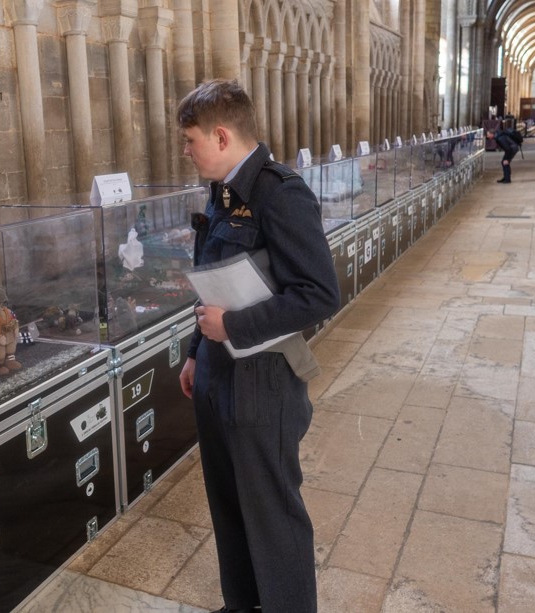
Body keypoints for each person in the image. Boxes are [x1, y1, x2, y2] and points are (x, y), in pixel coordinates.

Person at [177, 79, 340, 613]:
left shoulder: (280, 193)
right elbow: (211, 279)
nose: (186, 150)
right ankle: (241, 603)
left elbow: (318, 294)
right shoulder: (222, 192)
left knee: (273, 514)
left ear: (221, 136)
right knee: (228, 503)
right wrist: (195, 353)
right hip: (216, 373)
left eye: (191, 140)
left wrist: (236, 328)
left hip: (263, 381)